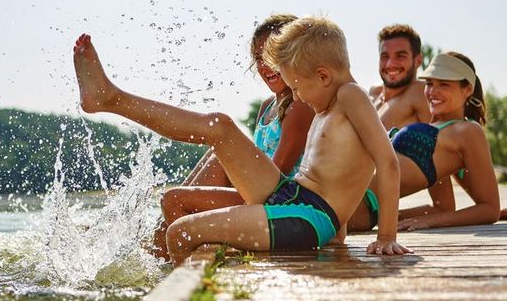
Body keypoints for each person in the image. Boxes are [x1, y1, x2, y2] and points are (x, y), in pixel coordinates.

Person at [73, 16, 411, 267]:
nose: (296, 96)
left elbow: (386, 162)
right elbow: (339, 170)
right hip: (292, 195)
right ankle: (110, 98)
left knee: (180, 232)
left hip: (308, 217)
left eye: (297, 87)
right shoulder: (329, 102)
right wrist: (339, 235)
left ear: (323, 75)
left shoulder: (352, 95)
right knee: (220, 126)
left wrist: (386, 238)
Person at [152, 14, 315, 260]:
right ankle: (156, 255)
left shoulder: (299, 106)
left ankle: (168, 266)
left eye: (274, 55)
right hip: (258, 195)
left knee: (175, 199)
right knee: (216, 156)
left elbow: (277, 178)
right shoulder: (267, 107)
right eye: (259, 58)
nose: (265, 65)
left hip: (279, 204)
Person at [348, 52, 500, 232]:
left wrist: (429, 222)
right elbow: (442, 207)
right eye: (429, 83)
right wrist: (398, 217)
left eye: (444, 84)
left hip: (357, 203)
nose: (433, 91)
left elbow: (490, 209)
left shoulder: (468, 131)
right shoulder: (437, 131)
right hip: (351, 195)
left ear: (467, 90)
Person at [349, 24, 431, 231]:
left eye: (401, 55)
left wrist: (388, 216)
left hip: (361, 202)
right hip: (342, 185)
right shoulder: (373, 94)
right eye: (384, 56)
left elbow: (439, 157)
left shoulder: (419, 94)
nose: (390, 63)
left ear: (418, 60)